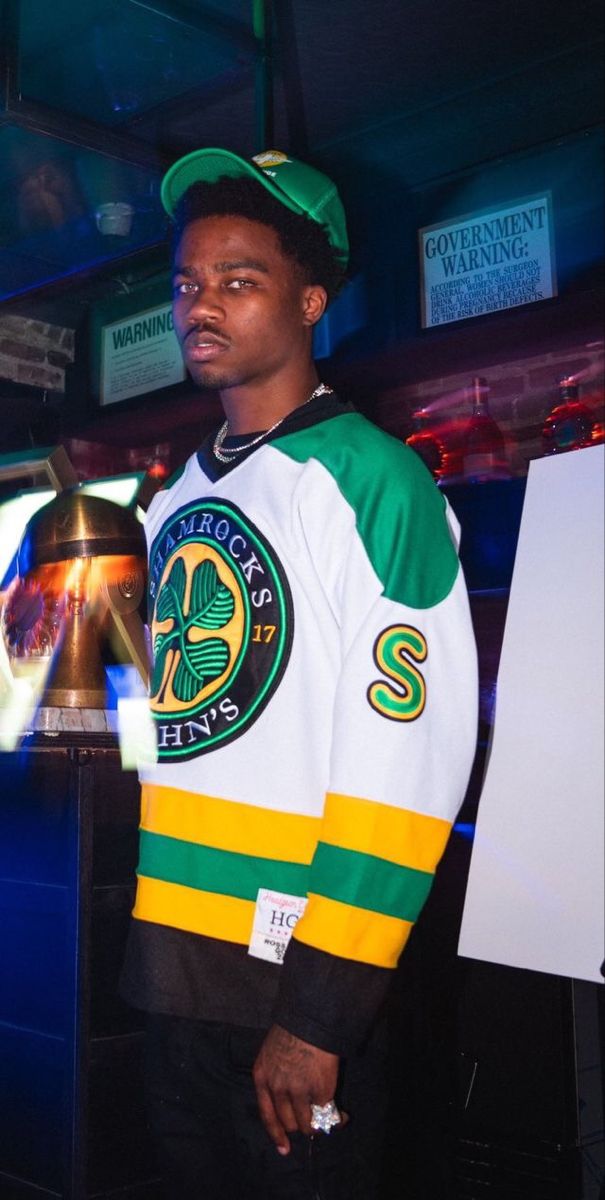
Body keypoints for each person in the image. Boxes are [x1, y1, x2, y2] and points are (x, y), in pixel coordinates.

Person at [120, 146, 478, 1199]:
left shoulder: (371, 479)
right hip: (171, 969)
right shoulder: (177, 496)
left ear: (311, 298)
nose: (201, 304)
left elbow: (409, 761)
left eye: (240, 280)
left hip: (294, 989)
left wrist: (319, 1011)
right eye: (188, 283)